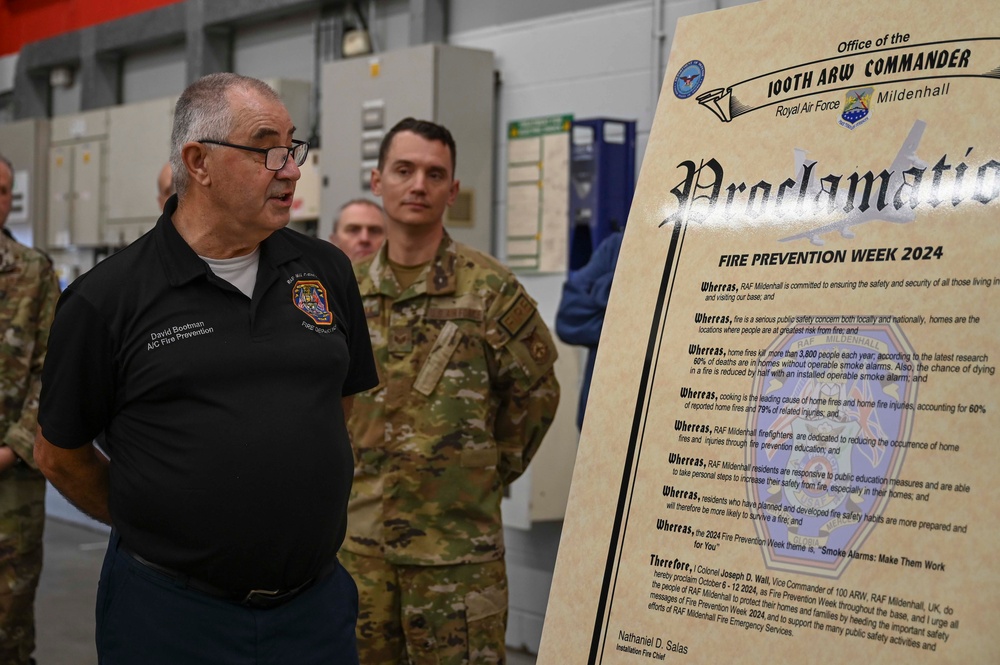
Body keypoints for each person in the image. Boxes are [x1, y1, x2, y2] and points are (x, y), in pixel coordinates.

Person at [34, 73, 377, 665]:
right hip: (172, 614)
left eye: (294, 147)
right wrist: (160, 521)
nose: (292, 168)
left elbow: (334, 403)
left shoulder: (326, 271)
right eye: (268, 148)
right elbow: (59, 454)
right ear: (199, 162)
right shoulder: (105, 300)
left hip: (313, 609)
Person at [343, 117, 560, 665]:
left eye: (434, 173)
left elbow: (535, 396)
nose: (419, 184)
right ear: (377, 181)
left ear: (452, 190)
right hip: (359, 554)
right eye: (404, 170)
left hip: (459, 558)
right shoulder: (344, 295)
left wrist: (482, 475)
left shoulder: (488, 289)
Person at [0, 154, 59, 665]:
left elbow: (52, 371)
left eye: (2, 190)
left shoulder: (34, 272)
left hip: (10, 484)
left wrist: (12, 448)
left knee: (10, 618)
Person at [555, 229, 624, 429]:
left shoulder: (702, 253)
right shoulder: (616, 247)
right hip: (600, 421)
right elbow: (568, 319)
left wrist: (601, 290)